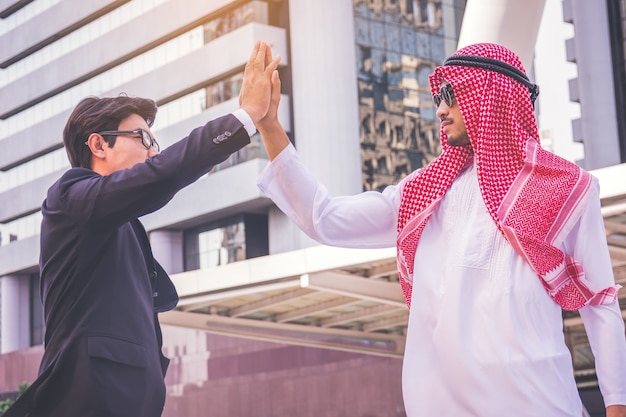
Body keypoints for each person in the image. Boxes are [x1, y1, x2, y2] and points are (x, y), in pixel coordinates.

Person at [254, 43, 626, 416]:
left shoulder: (564, 188)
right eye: (438, 95)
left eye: (450, 94)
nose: (440, 109)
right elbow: (326, 218)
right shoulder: (424, 192)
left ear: (490, 95)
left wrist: (617, 407)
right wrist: (269, 126)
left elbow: (600, 303)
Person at [3, 41, 280, 417]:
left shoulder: (124, 224)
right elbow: (161, 174)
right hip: (88, 400)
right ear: (98, 144)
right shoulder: (68, 198)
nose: (153, 151)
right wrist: (244, 116)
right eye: (144, 139)